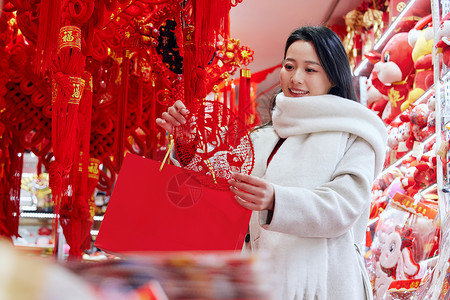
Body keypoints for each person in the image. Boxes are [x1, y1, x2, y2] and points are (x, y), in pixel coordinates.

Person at [156, 26, 387, 300]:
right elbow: (217, 188)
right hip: (261, 285)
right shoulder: (263, 137)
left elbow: (343, 208)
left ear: (333, 77)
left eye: (310, 70)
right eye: (289, 66)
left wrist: (276, 200)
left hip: (325, 287)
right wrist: (186, 145)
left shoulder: (356, 134)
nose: (296, 78)